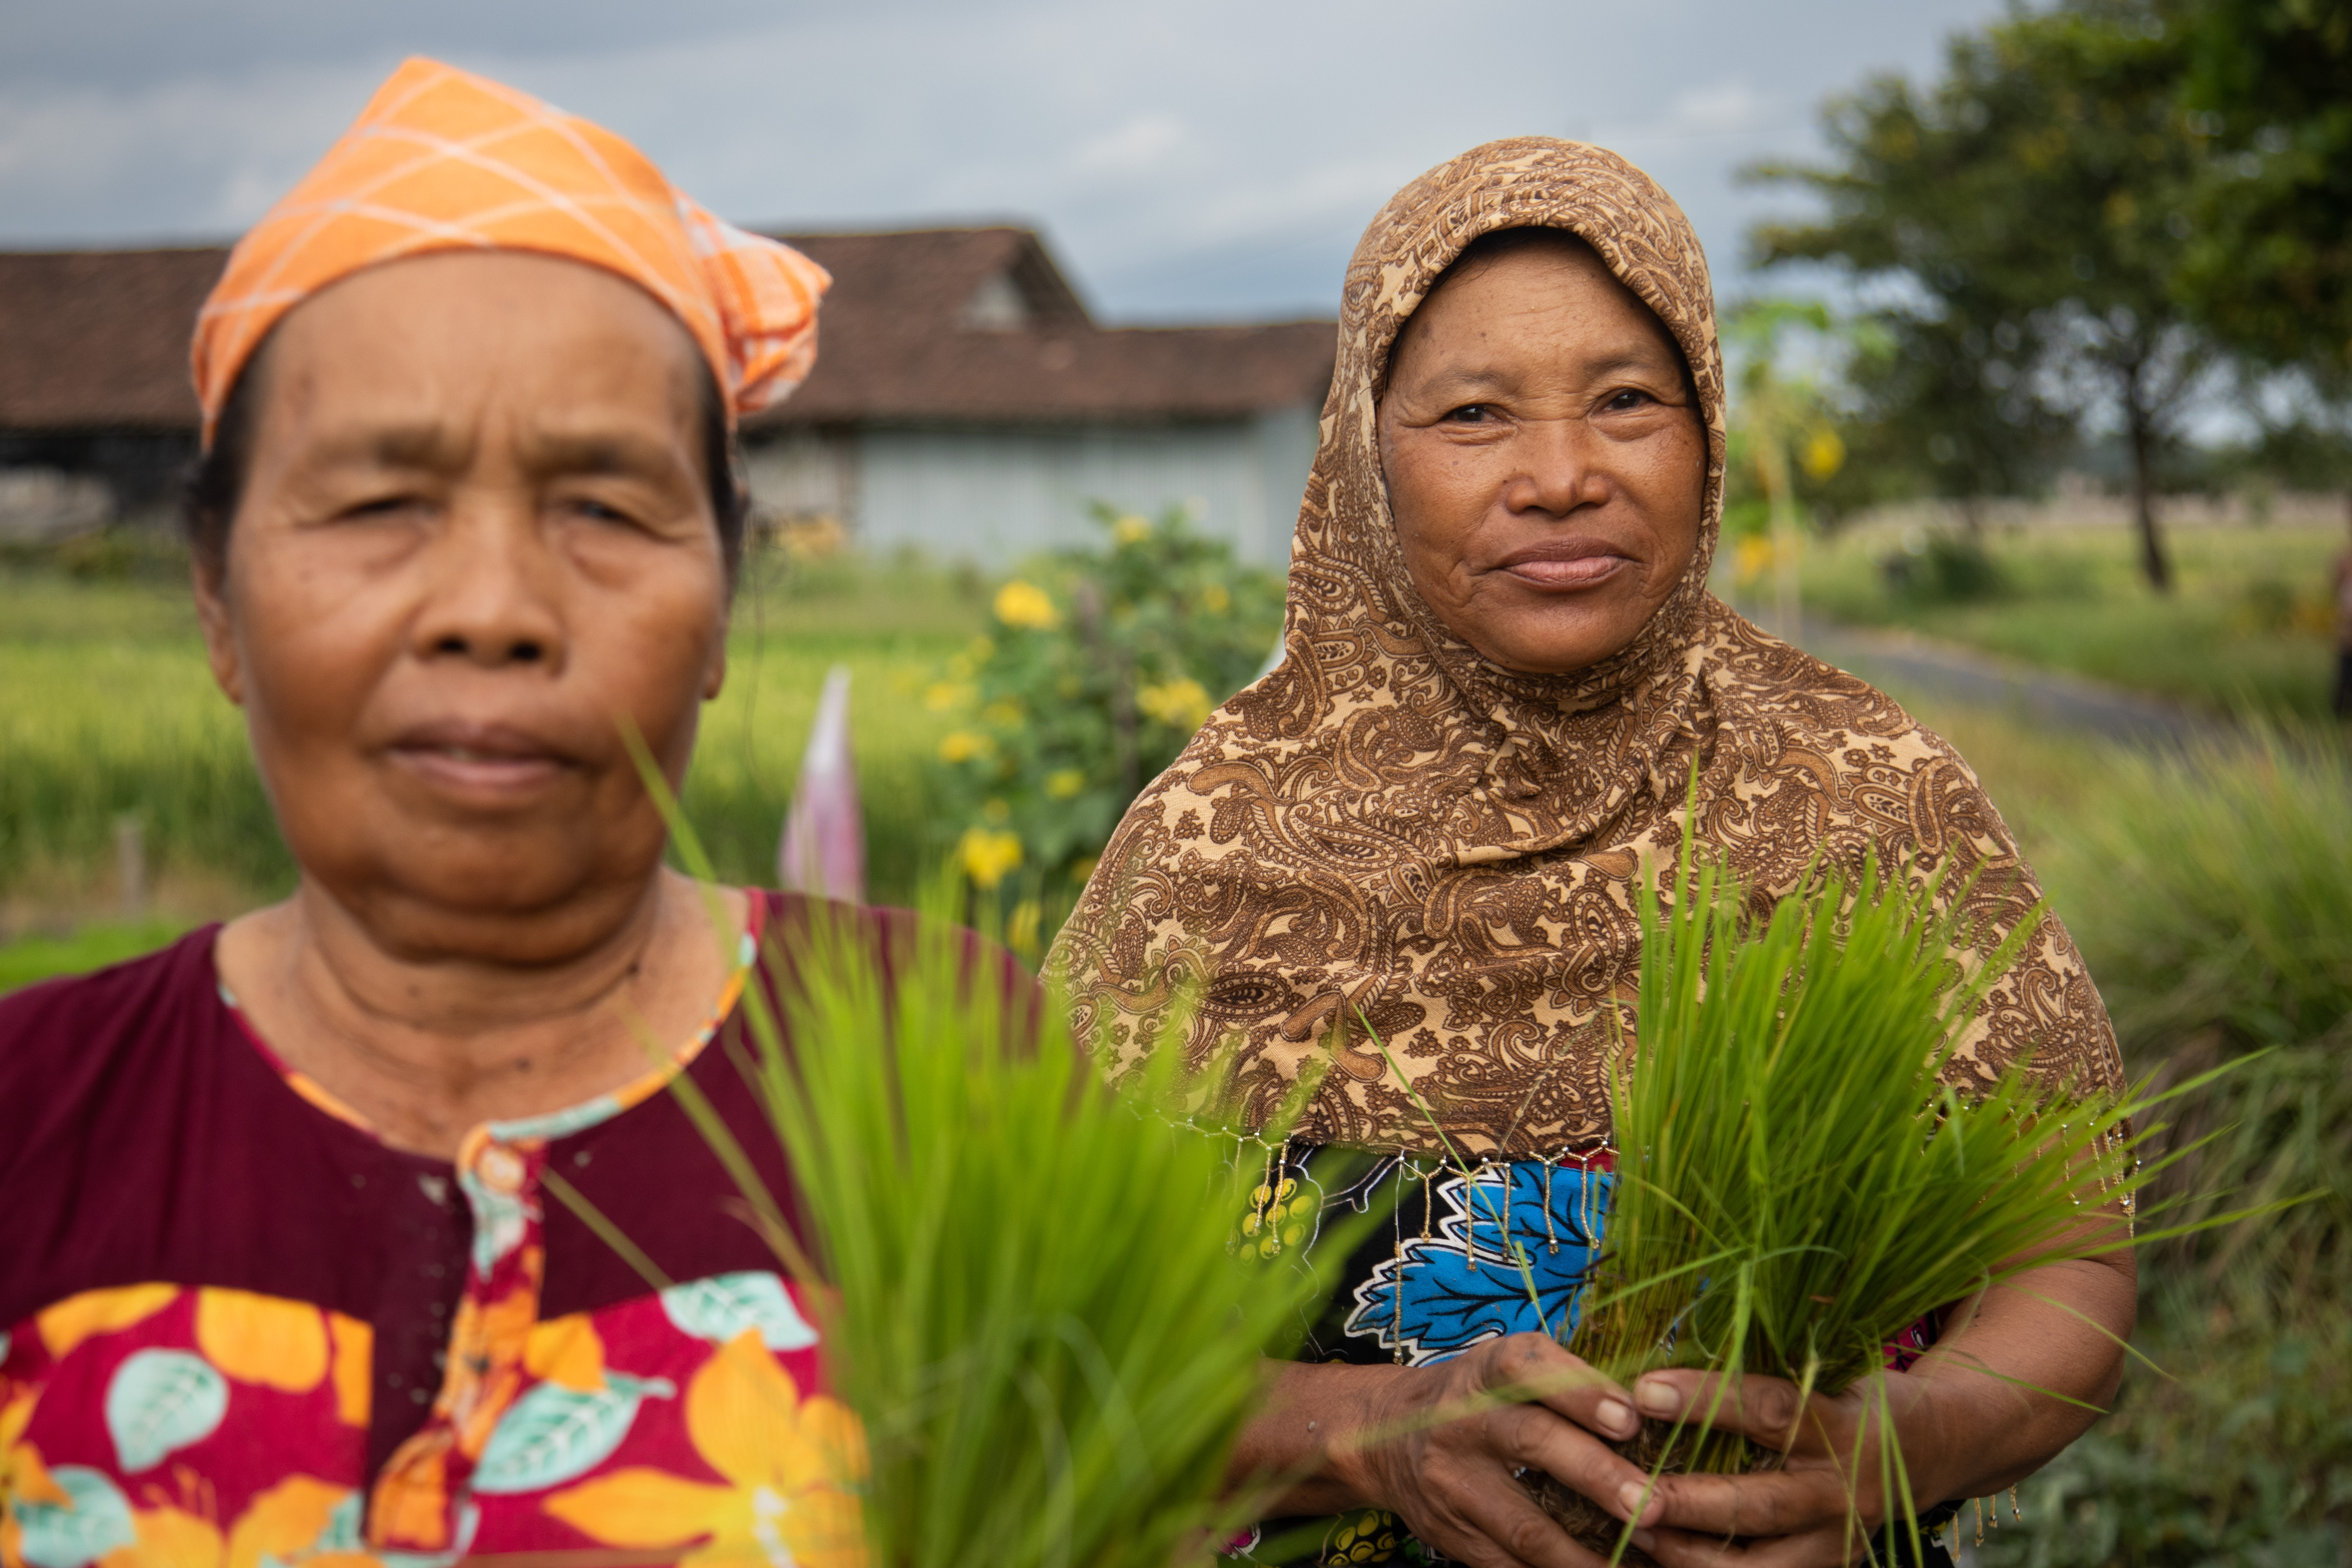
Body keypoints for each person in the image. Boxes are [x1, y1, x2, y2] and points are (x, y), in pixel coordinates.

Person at [1049, 140, 2133, 1568]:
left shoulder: (1867, 793)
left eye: (1627, 400)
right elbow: (1055, 1352)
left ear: (1707, 430)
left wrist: (1885, 1454)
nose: (1561, 477)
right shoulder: (1212, 843)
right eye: (1475, 414)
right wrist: (1381, 1430)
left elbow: (2070, 1260)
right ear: (1364, 457)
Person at [0, 59, 885, 1568]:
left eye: (605, 507)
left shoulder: (919, 1060)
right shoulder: (33, 1119)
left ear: (726, 602)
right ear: (216, 596)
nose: (493, 612)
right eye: (375, 503)